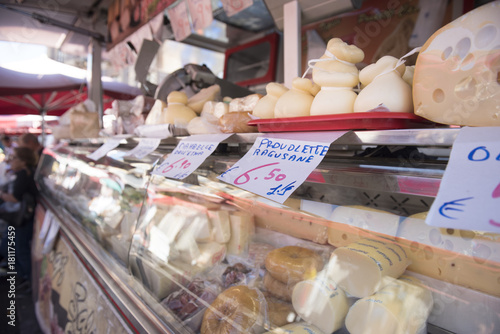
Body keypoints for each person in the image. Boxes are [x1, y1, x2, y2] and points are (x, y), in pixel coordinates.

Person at [0, 146, 38, 294]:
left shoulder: (24, 174)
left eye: (15, 158)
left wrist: (1, 194)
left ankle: (26, 279)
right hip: (19, 219)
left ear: (23, 161)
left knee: (19, 250)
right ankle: (22, 276)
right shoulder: (22, 173)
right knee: (9, 247)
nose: (11, 160)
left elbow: (15, 198)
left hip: (22, 220)